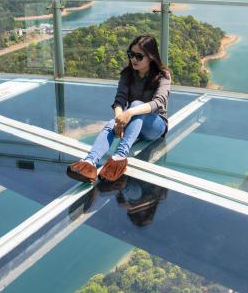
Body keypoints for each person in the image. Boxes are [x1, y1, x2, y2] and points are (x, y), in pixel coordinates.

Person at [66, 34, 171, 183]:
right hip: (134, 124)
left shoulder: (163, 76)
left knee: (135, 105)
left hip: (155, 126)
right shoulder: (127, 74)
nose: (133, 59)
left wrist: (129, 112)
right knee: (111, 124)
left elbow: (158, 103)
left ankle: (120, 156)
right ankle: (89, 163)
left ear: (151, 57)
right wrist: (119, 119)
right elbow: (119, 101)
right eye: (131, 54)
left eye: (139, 56)